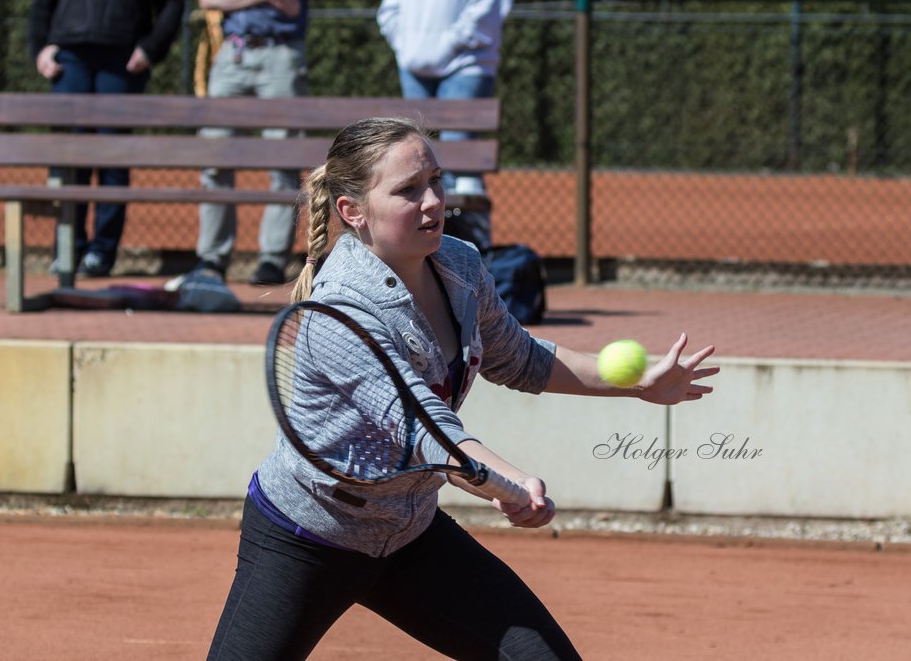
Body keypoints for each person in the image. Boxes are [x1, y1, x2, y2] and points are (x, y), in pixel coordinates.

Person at [207, 117, 717, 659]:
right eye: (407, 191)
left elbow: (518, 357)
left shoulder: (460, 264)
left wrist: (639, 382)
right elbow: (422, 427)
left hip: (410, 537)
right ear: (352, 211)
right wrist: (508, 481)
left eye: (436, 181)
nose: (433, 202)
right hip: (306, 537)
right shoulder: (339, 310)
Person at [28, 0, 184, 278]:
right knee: (70, 157)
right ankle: (68, 247)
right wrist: (40, 48)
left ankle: (102, 252)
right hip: (71, 61)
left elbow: (173, 2)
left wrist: (150, 48)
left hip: (122, 63)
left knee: (113, 159)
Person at [377, 0, 513, 252]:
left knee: (462, 159)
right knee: (420, 164)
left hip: (465, 67)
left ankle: (476, 253)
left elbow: (488, 5)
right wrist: (408, 47)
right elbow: (391, 8)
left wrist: (447, 44)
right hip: (415, 68)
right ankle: (432, 250)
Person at [194, 0, 312, 287]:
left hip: (281, 58)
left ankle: (271, 257)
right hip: (233, 58)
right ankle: (212, 258)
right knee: (216, 157)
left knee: (282, 162)